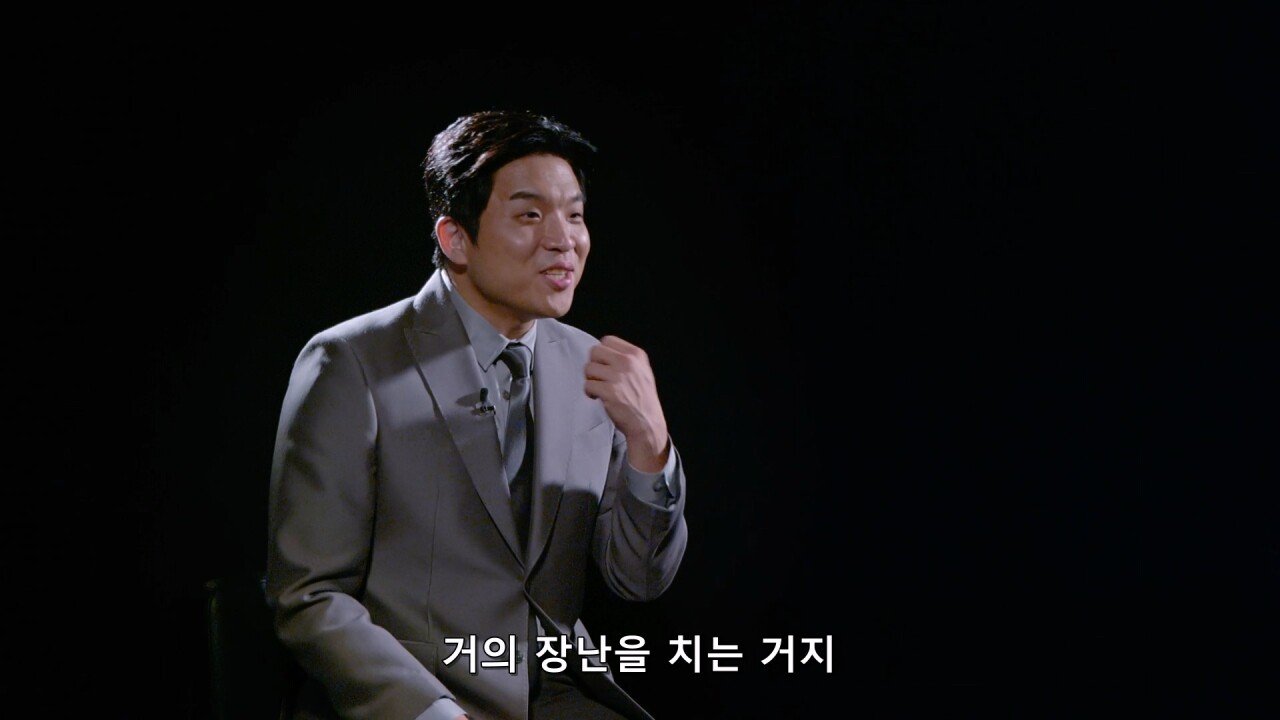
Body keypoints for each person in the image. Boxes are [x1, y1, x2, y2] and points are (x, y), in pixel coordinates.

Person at [266, 110, 689, 720]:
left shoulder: (591, 366)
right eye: (530, 215)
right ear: (455, 238)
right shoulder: (350, 362)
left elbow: (639, 580)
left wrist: (651, 441)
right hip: (418, 700)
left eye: (574, 214)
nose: (564, 240)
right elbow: (309, 595)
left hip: (561, 698)